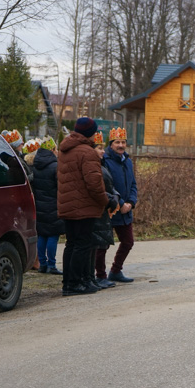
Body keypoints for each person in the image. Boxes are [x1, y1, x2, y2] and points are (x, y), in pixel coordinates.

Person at [57, 117, 109, 296]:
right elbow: (94, 183)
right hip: (84, 206)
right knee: (82, 245)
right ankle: (77, 283)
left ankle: (68, 283)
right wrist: (105, 201)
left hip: (67, 204)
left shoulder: (65, 149)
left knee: (71, 244)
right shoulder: (87, 152)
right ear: (90, 133)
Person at [101, 127, 138, 283]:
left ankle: (116, 271)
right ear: (111, 144)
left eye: (123, 142)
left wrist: (130, 202)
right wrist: (120, 203)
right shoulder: (105, 161)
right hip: (111, 208)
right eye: (117, 142)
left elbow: (133, 184)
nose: (121, 145)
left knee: (128, 242)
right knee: (103, 245)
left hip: (126, 210)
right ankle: (100, 275)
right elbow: (108, 186)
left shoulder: (128, 161)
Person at [31, 136, 64, 274]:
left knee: (42, 235)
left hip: (39, 205)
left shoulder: (35, 165)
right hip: (52, 205)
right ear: (52, 150)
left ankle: (42, 264)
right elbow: (60, 186)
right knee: (53, 235)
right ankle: (52, 264)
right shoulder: (55, 166)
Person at [91, 132, 120, 289]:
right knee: (99, 245)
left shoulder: (101, 166)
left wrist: (115, 195)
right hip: (99, 209)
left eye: (103, 148)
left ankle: (99, 275)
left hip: (105, 208)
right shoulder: (95, 168)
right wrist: (111, 198)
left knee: (102, 244)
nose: (103, 151)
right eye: (99, 148)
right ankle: (99, 275)